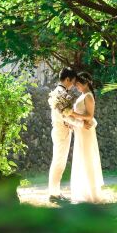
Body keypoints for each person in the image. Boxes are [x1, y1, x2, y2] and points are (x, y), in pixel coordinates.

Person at [68, 71, 104, 203]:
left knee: (88, 160)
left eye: (78, 83)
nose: (76, 85)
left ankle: (94, 195)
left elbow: (90, 116)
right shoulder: (82, 95)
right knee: (82, 159)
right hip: (80, 131)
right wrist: (72, 120)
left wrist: (73, 114)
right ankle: (85, 192)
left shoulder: (88, 96)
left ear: (85, 82)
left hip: (86, 132)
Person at [47, 66, 78, 203]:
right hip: (61, 130)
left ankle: (55, 191)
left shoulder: (57, 92)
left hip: (61, 129)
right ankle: (53, 193)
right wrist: (76, 123)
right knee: (59, 162)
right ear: (67, 79)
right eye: (72, 82)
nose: (73, 85)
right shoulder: (61, 94)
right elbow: (64, 115)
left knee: (59, 161)